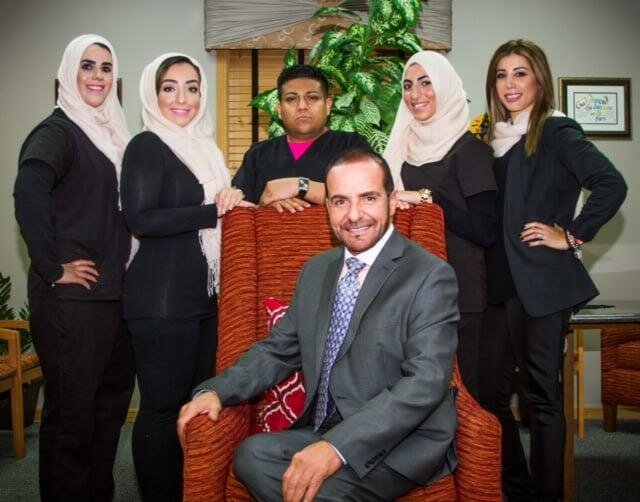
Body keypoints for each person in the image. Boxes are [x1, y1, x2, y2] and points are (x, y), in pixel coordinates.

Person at [178, 149, 459, 501]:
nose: (353, 215)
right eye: (340, 201)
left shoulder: (429, 275)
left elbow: (425, 381)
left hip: (400, 441)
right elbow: (278, 351)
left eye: (368, 198)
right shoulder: (316, 271)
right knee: (251, 456)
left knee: (310, 486)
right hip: (322, 426)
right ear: (327, 207)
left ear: (390, 201)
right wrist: (217, 391)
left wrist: (336, 448)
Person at [478, 39, 627, 501]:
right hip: (496, 285)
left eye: (520, 73)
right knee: (487, 394)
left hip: (541, 283)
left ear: (539, 80)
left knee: (542, 397)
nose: (510, 84)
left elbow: (611, 183)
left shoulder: (556, 130)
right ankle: (517, 488)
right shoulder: (491, 139)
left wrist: (572, 234)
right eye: (501, 74)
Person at [120, 53, 251, 501]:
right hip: (159, 303)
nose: (182, 98)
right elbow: (141, 218)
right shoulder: (147, 145)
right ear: (153, 94)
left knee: (193, 409)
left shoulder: (205, 149)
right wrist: (213, 210)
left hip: (202, 301)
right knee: (160, 413)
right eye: (169, 87)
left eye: (192, 88)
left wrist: (232, 203)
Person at [14, 34, 135, 501]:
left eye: (106, 67)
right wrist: (52, 267)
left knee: (109, 410)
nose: (97, 76)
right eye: (87, 65)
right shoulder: (58, 131)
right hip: (71, 301)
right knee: (72, 418)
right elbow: (28, 192)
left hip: (112, 297)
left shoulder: (113, 134)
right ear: (68, 72)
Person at [384, 51, 497, 399]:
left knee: (463, 397)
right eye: (407, 85)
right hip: (413, 289)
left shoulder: (470, 151)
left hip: (460, 291)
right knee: (418, 393)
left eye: (425, 82)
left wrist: (426, 198)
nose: (415, 94)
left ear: (445, 86)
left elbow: (485, 230)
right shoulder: (402, 148)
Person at [231, 64, 371, 212]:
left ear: (328, 105)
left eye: (312, 98)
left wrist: (301, 186)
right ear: (279, 109)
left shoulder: (352, 146)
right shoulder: (258, 155)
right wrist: (268, 208)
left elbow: (370, 196)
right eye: (291, 99)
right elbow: (239, 212)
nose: (302, 106)